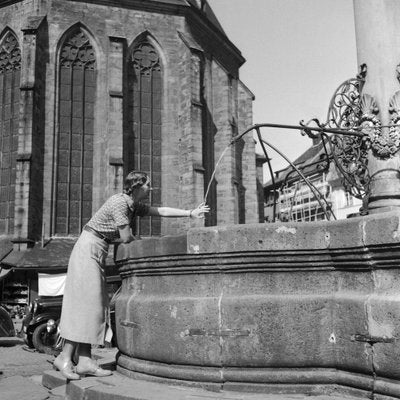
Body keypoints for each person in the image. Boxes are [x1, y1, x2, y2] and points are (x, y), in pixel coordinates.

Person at [53, 171, 210, 380]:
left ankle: (85, 360)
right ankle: (64, 357)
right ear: (136, 186)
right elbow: (126, 237)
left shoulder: (132, 205)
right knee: (86, 304)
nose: (150, 188)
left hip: (98, 249)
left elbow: (160, 210)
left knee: (96, 305)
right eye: (147, 184)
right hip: (88, 248)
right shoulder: (120, 203)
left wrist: (190, 213)